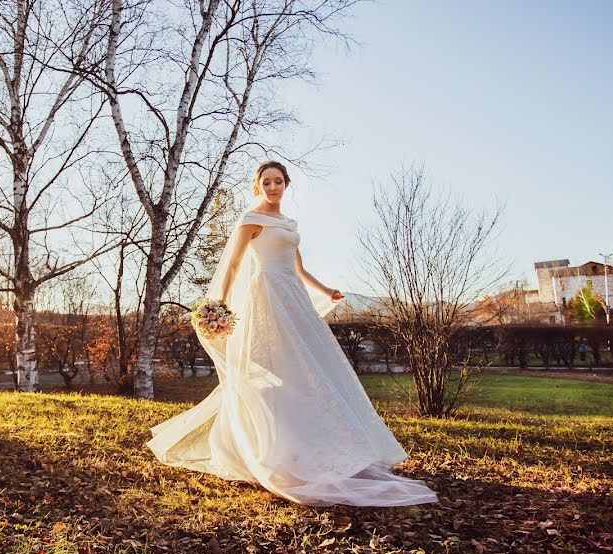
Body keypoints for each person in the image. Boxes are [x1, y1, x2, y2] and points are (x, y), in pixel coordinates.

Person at [146, 161, 438, 507]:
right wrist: (218, 304)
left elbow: (297, 268)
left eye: (278, 181)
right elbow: (235, 264)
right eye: (266, 182)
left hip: (292, 296)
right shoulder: (250, 220)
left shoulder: (288, 223)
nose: (272, 187)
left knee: (308, 368)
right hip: (266, 294)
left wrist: (326, 290)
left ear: (286, 185)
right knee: (270, 367)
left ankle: (316, 443)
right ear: (258, 186)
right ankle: (267, 448)